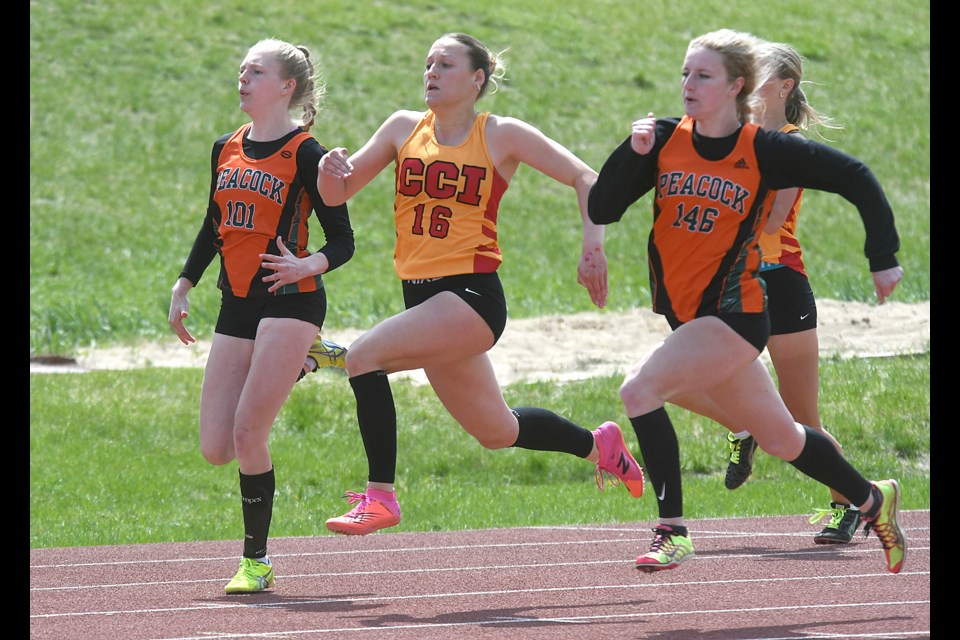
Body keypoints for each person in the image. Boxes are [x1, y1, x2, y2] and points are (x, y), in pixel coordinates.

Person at [588, 29, 906, 574]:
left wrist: (883, 255)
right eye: (685, 73)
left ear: (737, 86)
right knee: (782, 437)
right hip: (686, 314)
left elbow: (855, 175)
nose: (688, 84)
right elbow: (603, 205)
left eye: (703, 75)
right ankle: (873, 500)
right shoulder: (664, 139)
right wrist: (630, 152)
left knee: (638, 391)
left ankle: (672, 532)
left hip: (735, 315)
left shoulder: (765, 149)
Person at [316, 32, 644, 536]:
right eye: (428, 63)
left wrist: (592, 247)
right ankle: (599, 445)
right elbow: (337, 193)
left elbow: (586, 177)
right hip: (423, 298)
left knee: (363, 357)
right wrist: (327, 170)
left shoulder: (501, 135)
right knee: (497, 431)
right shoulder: (403, 128)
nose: (431, 72)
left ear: (476, 79)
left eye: (445, 64)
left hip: (471, 297)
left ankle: (380, 498)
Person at [167, 38, 355, 593]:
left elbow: (343, 242)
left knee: (250, 432)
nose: (242, 78)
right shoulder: (224, 146)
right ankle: (306, 361)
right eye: (241, 69)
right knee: (216, 448)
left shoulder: (308, 153)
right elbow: (213, 221)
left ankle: (256, 561)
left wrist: (306, 265)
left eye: (255, 71)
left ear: (286, 87)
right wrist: (184, 284)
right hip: (237, 303)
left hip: (293, 300)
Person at [671, 41, 874, 545]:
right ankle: (748, 426)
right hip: (725, 284)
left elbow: (773, 218)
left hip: (778, 280)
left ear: (784, 87)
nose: (743, 84)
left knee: (803, 416)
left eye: (756, 76)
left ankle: (846, 505)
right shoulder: (723, 137)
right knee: (671, 382)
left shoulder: (785, 143)